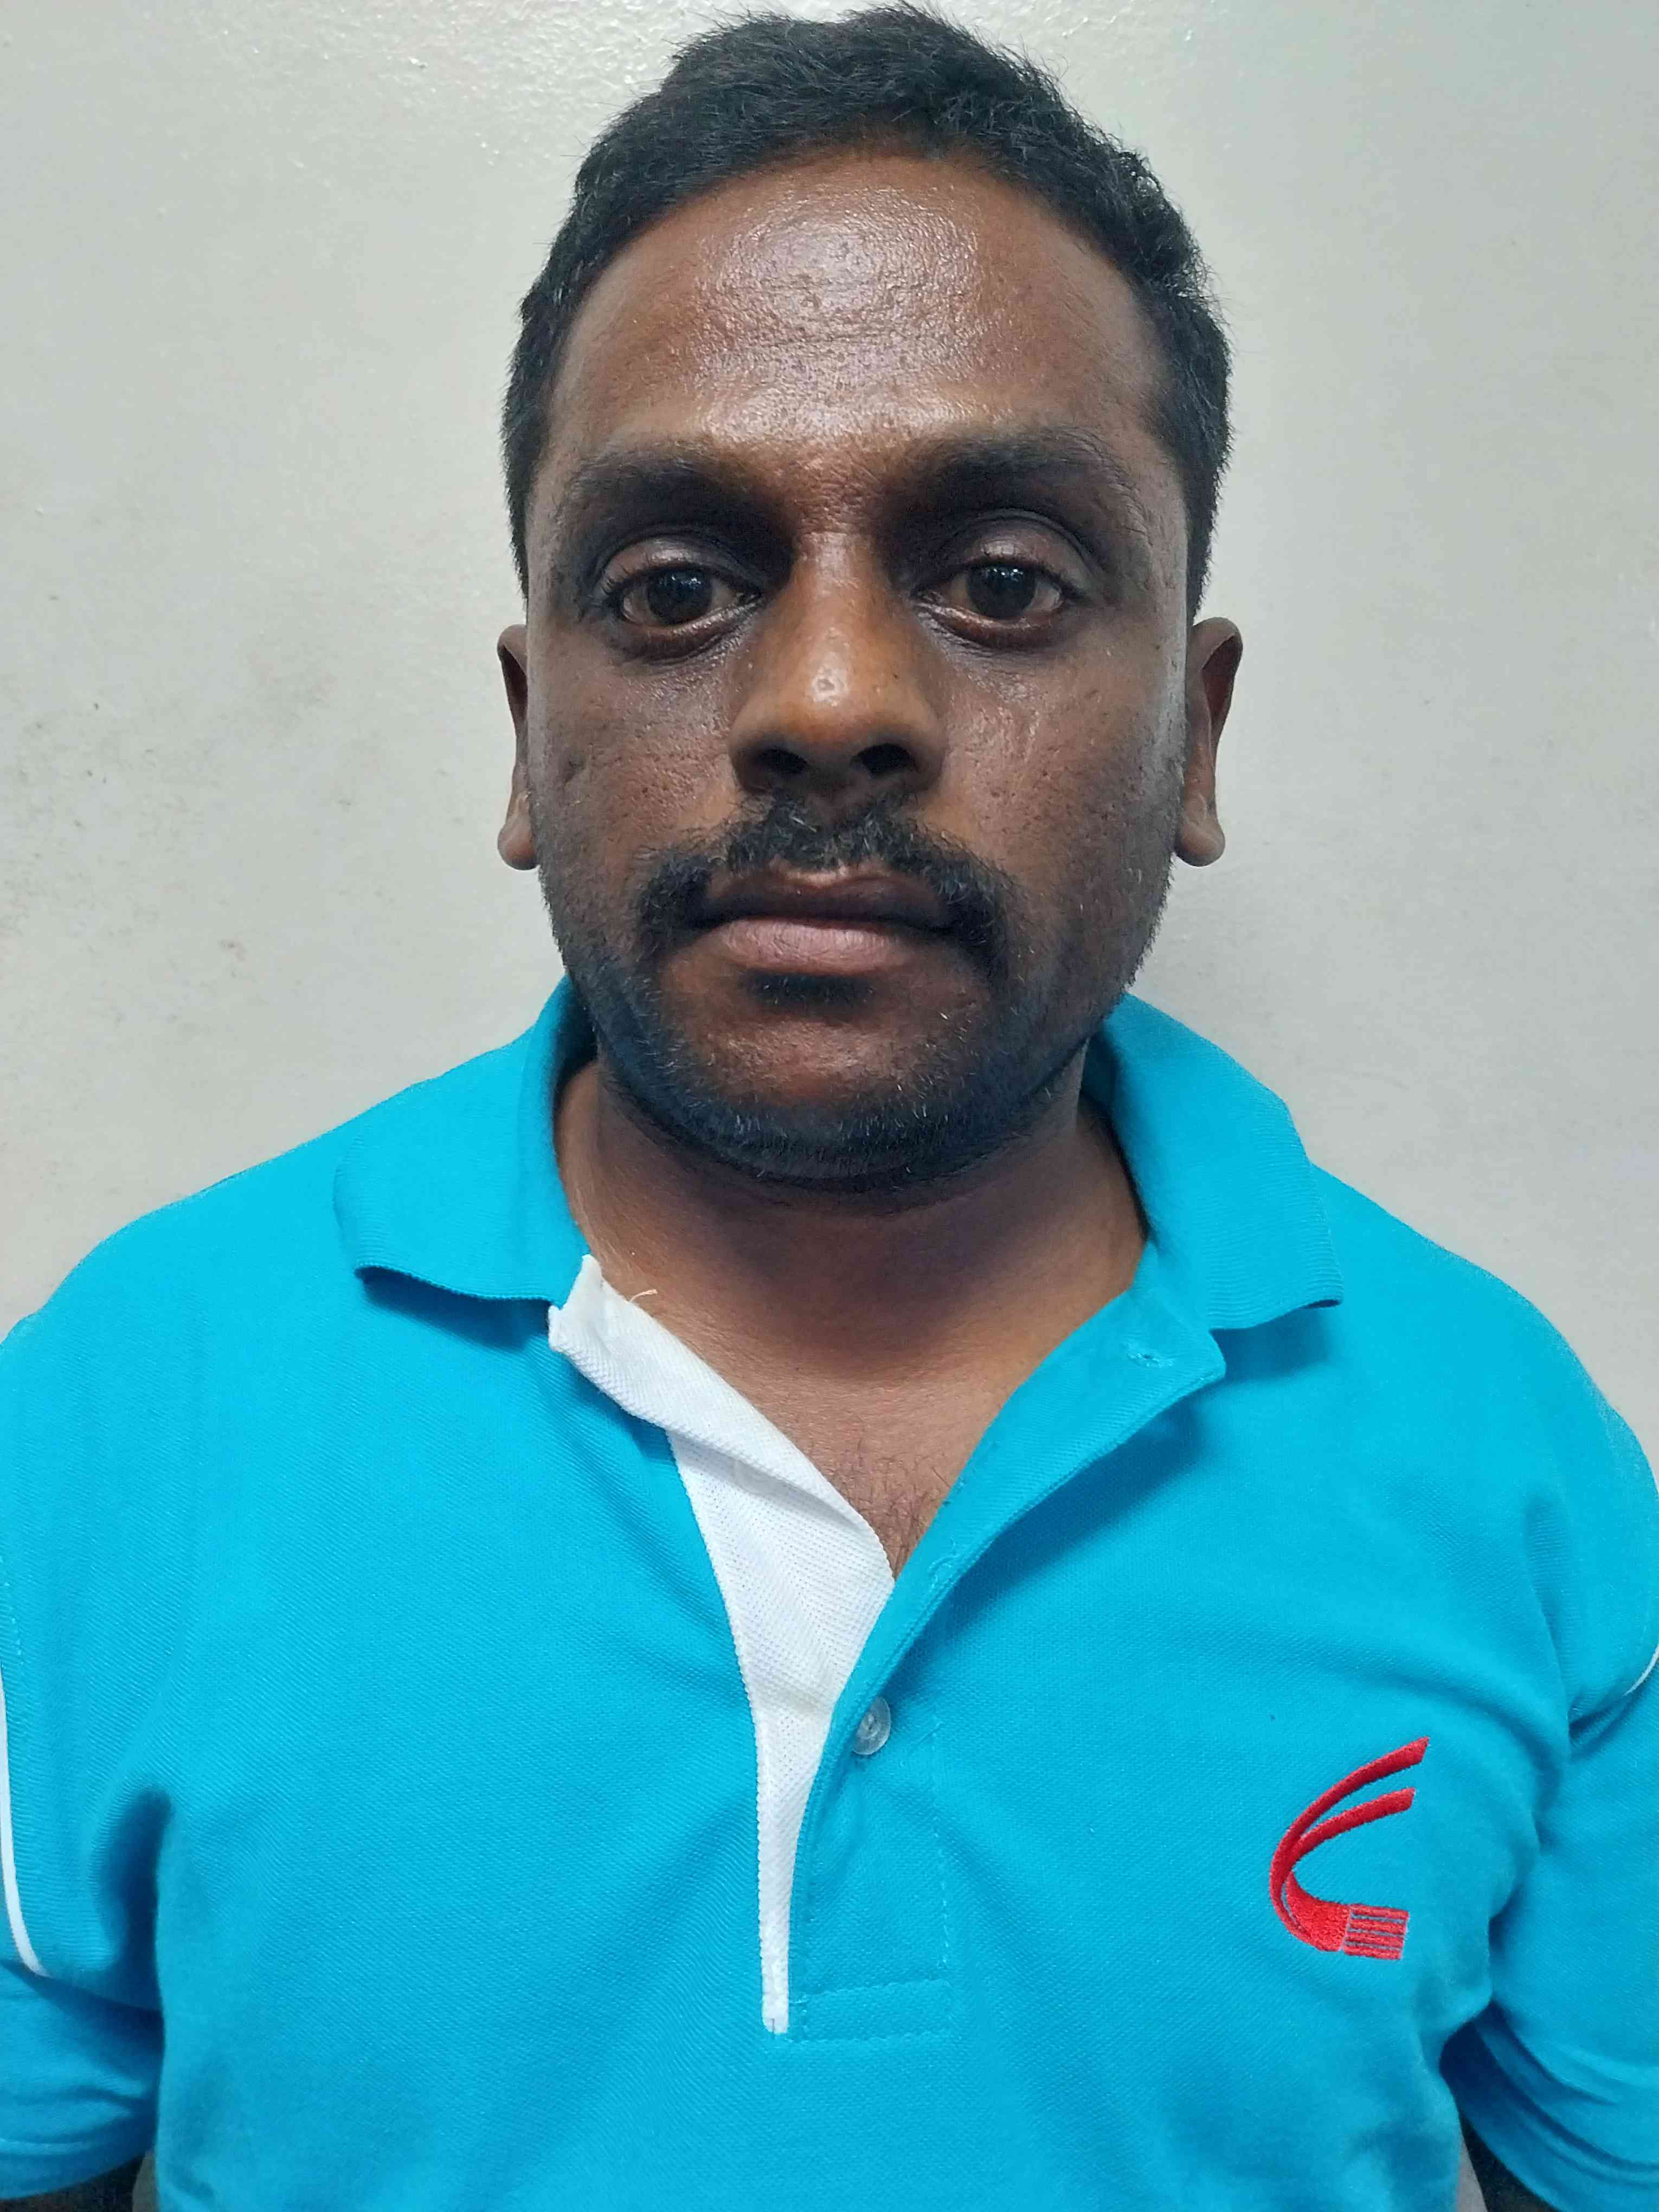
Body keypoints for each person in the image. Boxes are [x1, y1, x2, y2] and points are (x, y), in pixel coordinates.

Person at [2, 10, 1654, 2209]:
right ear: (529, 728)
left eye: (1004, 584)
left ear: (1193, 733)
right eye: (676, 591)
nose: (831, 699)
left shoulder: (1507, 1457)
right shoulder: (111, 1418)